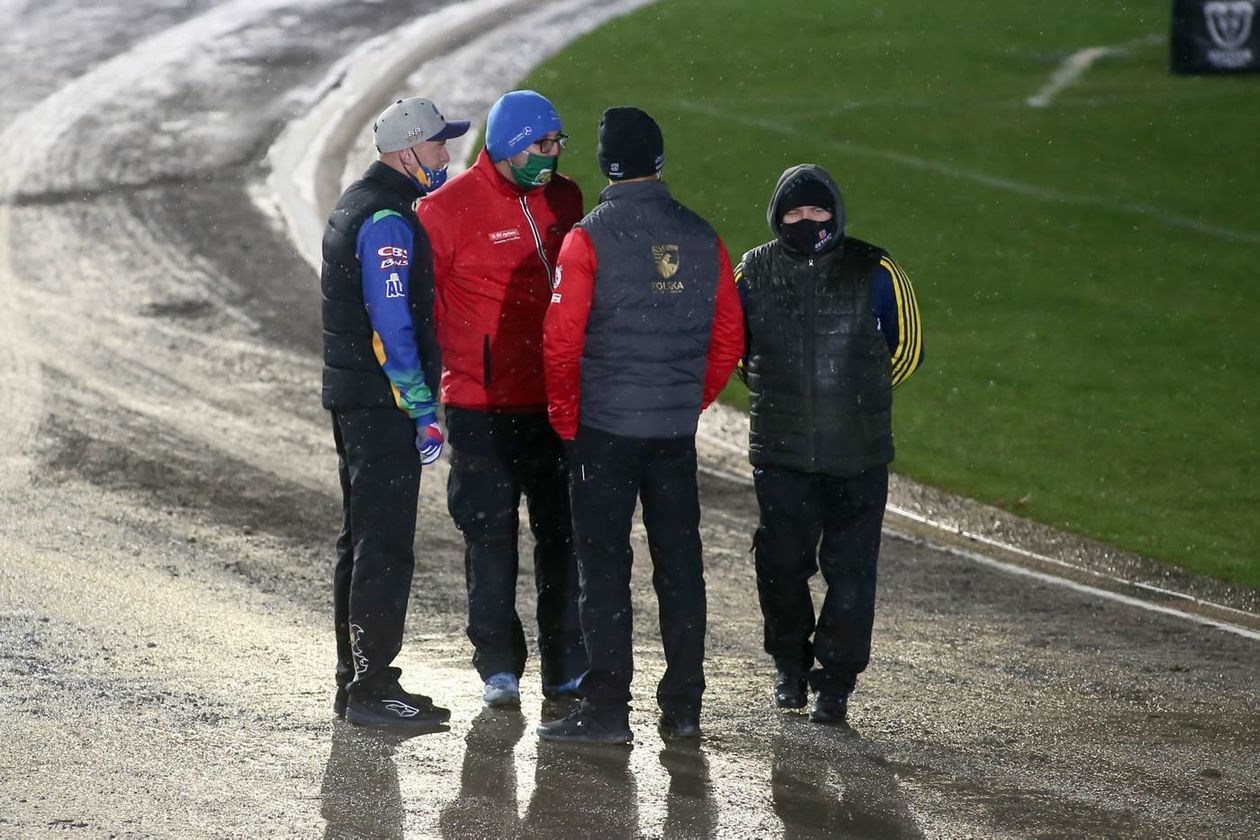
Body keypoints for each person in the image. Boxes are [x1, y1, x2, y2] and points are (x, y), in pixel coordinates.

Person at [537, 106, 745, 744]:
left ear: (605, 165)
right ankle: (683, 707)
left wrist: (568, 422)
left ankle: (606, 709)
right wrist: (689, 401)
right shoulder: (703, 236)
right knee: (680, 567)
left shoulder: (587, 238)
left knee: (604, 569)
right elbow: (729, 336)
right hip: (671, 435)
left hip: (603, 432)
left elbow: (560, 341)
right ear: (659, 161)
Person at [417, 90, 587, 708]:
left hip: (554, 405)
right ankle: (497, 663)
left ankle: (567, 662)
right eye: (542, 146)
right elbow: (421, 308)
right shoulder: (445, 209)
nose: (552, 156)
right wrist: (426, 393)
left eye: (557, 144)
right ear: (509, 146)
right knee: (489, 536)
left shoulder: (566, 198)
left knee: (561, 535)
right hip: (480, 408)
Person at [736, 163, 923, 725]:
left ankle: (835, 682)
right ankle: (789, 667)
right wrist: (793, 396)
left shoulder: (878, 269)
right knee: (781, 566)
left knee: (851, 570)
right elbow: (739, 352)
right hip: (781, 454)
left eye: (817, 211)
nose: (806, 220)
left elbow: (907, 350)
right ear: (777, 217)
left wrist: (849, 397)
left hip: (857, 455)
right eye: (794, 212)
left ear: (835, 214)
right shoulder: (753, 271)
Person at [320, 96, 469, 728]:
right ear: (407, 150)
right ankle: (371, 689)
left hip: (355, 399)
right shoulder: (387, 218)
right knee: (383, 547)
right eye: (438, 145)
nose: (446, 155)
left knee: (361, 541)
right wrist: (420, 409)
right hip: (381, 406)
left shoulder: (359, 203)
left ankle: (354, 679)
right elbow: (390, 324)